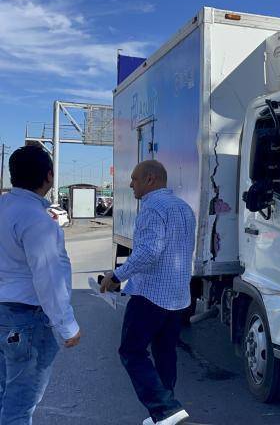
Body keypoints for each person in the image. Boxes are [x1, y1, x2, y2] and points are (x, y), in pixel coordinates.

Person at [101, 160, 195, 425]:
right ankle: (165, 413)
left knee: (131, 352)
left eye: (134, 179)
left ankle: (165, 410)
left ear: (150, 179)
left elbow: (149, 252)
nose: (131, 184)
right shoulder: (184, 207)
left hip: (150, 294)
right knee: (166, 353)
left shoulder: (152, 207)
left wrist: (117, 275)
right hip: (178, 296)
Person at [0, 145, 81, 424]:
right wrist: (67, 325)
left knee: (3, 396)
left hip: (3, 313)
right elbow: (49, 278)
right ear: (48, 176)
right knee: (20, 407)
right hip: (26, 320)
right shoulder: (37, 219)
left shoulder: (4, 208)